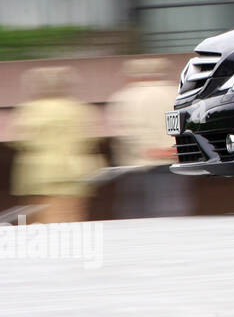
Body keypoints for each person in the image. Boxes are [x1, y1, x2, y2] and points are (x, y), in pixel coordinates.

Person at [10, 66, 102, 223]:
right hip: (76, 172)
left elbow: (20, 140)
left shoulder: (29, 109)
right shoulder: (81, 109)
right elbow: (91, 139)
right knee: (72, 215)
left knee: (42, 218)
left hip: (39, 173)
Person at [106, 57, 193, 218]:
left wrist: (148, 150)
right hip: (173, 159)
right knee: (173, 208)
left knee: (137, 213)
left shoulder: (126, 97)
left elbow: (126, 133)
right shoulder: (175, 93)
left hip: (139, 164)